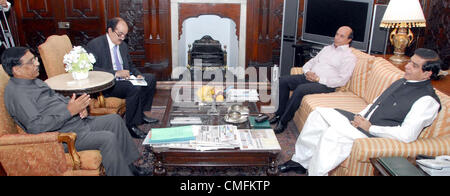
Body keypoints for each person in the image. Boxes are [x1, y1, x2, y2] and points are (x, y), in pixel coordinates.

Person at [278, 48, 442, 176]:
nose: (407, 66)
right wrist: (360, 116)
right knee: (318, 114)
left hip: (375, 133)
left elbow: (407, 135)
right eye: (410, 61)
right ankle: (300, 162)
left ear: (427, 73)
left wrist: (369, 127)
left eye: (414, 65)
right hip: (362, 122)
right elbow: (376, 103)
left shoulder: (427, 101)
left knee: (331, 135)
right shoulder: (404, 81)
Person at [2, 47, 148, 176]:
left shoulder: (35, 81)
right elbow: (36, 127)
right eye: (31, 62)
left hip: (74, 122)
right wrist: (69, 112)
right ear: (17, 69)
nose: (37, 63)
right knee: (107, 138)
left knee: (114, 120)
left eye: (35, 59)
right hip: (63, 136)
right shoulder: (18, 94)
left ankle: (130, 168)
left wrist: (78, 107)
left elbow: (57, 99)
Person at [269, 26, 357, 134]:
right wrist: (307, 71)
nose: (337, 38)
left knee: (300, 89)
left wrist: (319, 79)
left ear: (349, 40)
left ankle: (283, 121)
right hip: (310, 77)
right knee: (283, 80)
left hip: (325, 85)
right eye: (337, 34)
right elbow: (311, 62)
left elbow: (342, 80)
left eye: (341, 36)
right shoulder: (327, 49)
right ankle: (279, 114)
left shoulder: (349, 57)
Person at [86, 17, 158, 139]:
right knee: (133, 89)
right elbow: (91, 70)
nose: (122, 38)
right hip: (108, 84)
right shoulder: (95, 45)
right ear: (110, 30)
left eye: (125, 35)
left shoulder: (122, 45)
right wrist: (115, 73)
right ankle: (131, 125)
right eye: (120, 34)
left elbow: (130, 65)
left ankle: (140, 114)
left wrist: (137, 74)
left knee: (150, 79)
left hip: (126, 79)